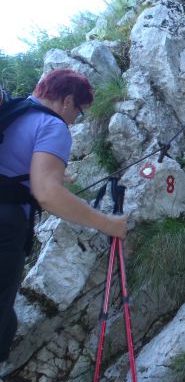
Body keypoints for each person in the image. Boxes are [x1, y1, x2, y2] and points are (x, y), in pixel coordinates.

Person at [0, 68, 128, 363]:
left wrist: (51, 173)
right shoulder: (53, 126)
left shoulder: (15, 109)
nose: (74, 121)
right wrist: (109, 223)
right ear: (68, 101)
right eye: (80, 113)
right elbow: (47, 195)